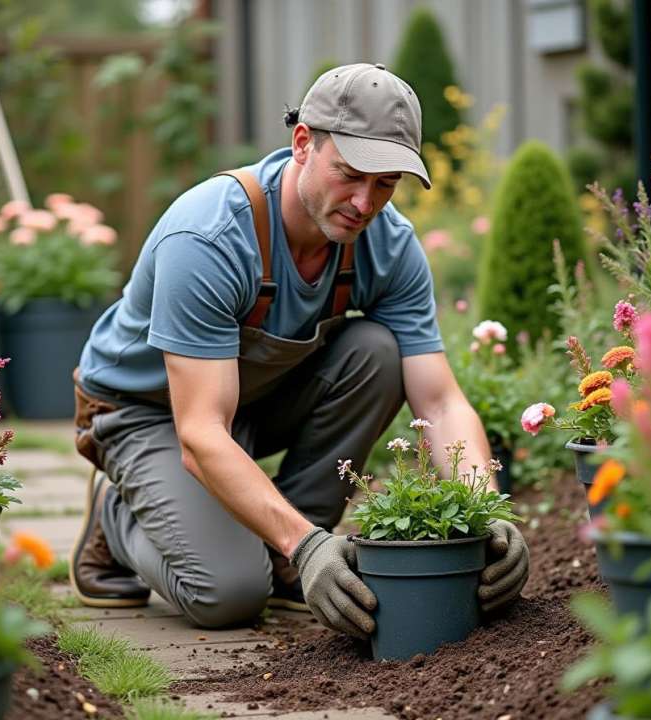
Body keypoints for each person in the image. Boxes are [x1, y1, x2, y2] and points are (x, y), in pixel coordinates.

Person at [69, 63, 529, 639]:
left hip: (251, 400)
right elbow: (202, 432)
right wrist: (310, 546)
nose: (364, 203)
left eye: (385, 184)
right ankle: (119, 518)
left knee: (376, 352)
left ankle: (291, 552)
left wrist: (488, 509)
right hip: (146, 412)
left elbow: (438, 404)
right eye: (351, 174)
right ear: (303, 144)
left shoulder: (388, 244)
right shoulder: (208, 239)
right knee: (230, 594)